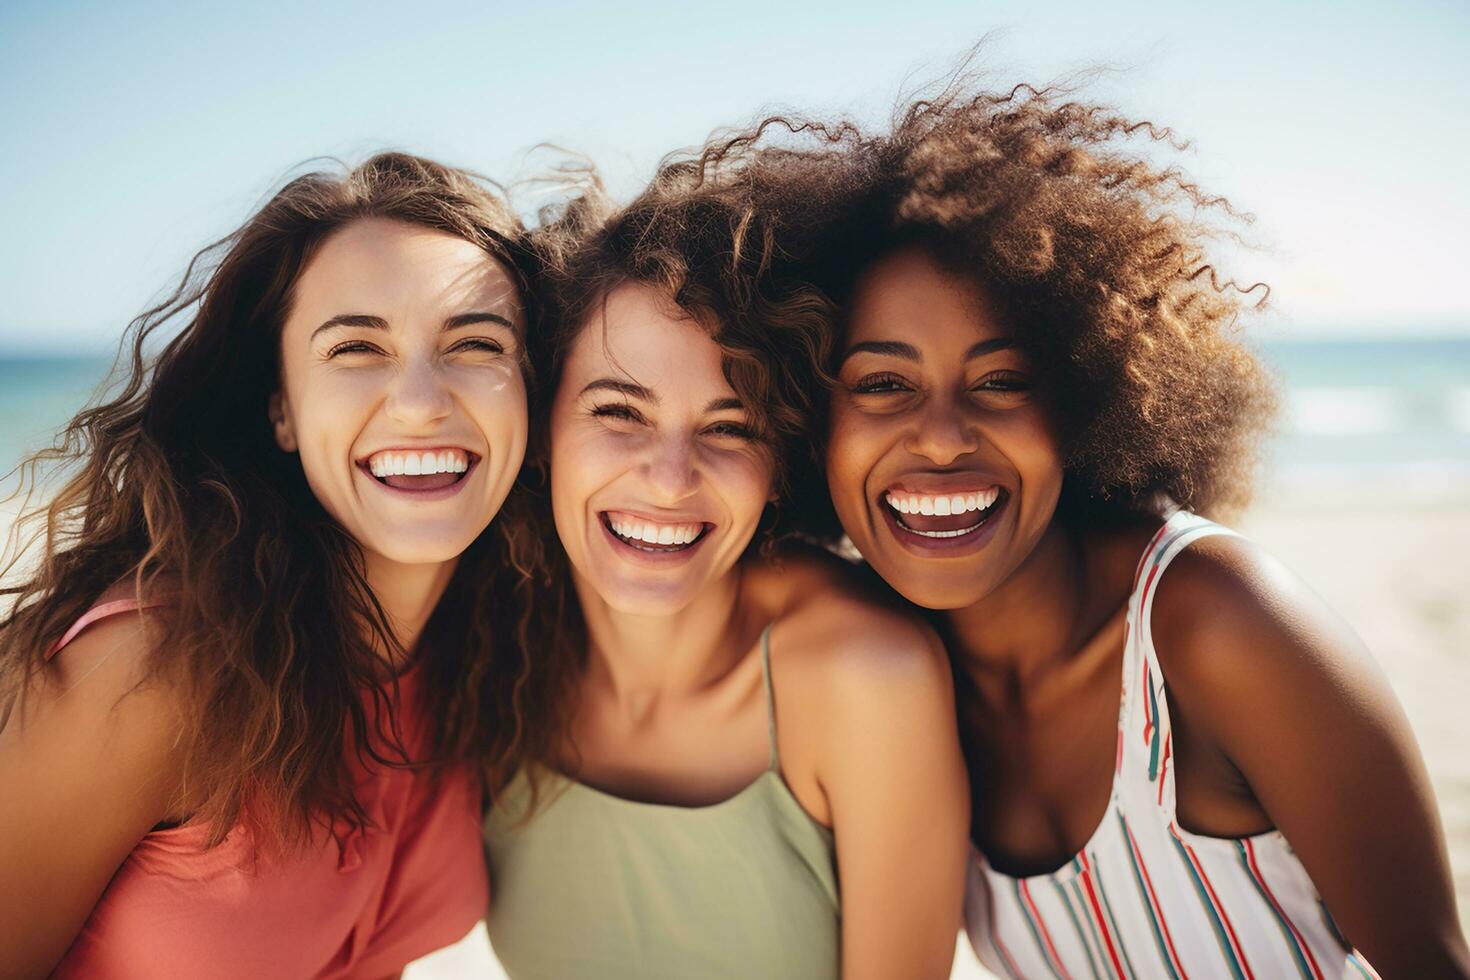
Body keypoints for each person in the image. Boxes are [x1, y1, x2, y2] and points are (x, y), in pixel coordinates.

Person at [708, 81, 1470, 977]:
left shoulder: (1218, 624)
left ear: (1081, 399)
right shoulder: (884, 674)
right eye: (882, 384)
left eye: (1001, 381)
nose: (945, 435)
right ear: (809, 421)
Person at [0, 152, 540, 979]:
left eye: (475, 343)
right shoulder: (150, 671)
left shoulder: (488, 662)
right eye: (357, 347)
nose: (423, 400)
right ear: (282, 407)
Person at [481, 166, 969, 980]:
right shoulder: (491, 655)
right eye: (618, 412)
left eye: (730, 426)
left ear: (781, 465)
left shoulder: (866, 676)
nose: (671, 479)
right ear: (540, 431)